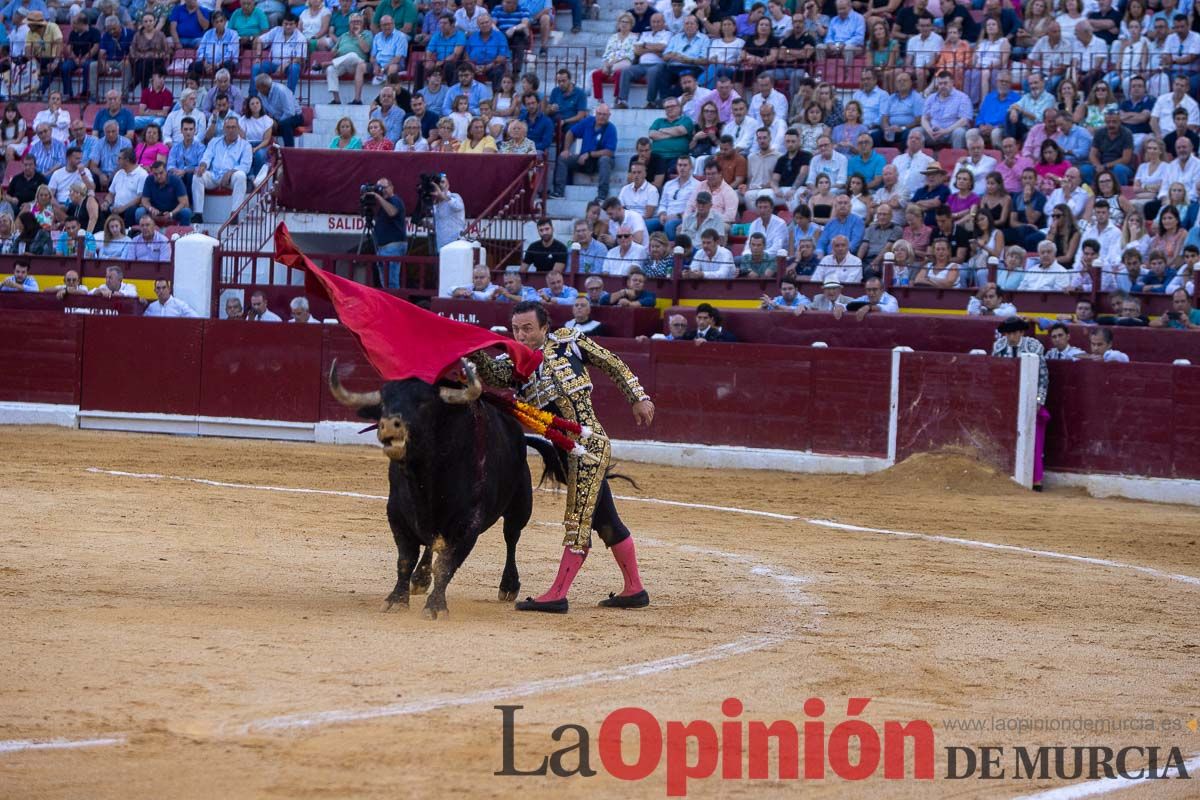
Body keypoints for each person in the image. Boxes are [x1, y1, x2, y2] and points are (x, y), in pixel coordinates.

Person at [468, 301, 653, 613]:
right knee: (605, 519)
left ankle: (557, 593)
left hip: (588, 446)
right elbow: (490, 374)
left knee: (578, 521)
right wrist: (472, 348)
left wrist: (639, 397)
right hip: (563, 451)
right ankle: (634, 589)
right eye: (515, 328)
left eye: (527, 328)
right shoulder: (514, 362)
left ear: (544, 327)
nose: (521, 334)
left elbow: (612, 363)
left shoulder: (569, 342)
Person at [992, 317, 1049, 490]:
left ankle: (1036, 481)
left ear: (1021, 332)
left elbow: (1043, 377)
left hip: (1031, 401)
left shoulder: (1034, 347)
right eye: (1007, 333)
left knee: (1035, 440)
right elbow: (996, 375)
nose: (1009, 337)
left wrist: (1038, 401)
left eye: (1013, 333)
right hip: (1007, 402)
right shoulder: (999, 347)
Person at [195, 116, 251, 219]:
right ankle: (198, 214)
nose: (231, 130)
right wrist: (203, 165)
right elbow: (207, 156)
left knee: (241, 175)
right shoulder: (214, 141)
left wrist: (230, 172)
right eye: (228, 127)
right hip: (214, 175)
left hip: (231, 179)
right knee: (197, 176)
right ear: (224, 129)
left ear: (238, 128)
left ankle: (235, 213)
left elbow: (245, 166)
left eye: (233, 127)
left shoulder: (245, 145)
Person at [362, 177, 407, 288]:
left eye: (384, 187)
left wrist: (378, 197)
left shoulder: (395, 200)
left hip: (393, 246)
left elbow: (392, 212)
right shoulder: (383, 203)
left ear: (391, 187)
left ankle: (394, 303)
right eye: (379, 188)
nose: (382, 190)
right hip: (383, 248)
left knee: (391, 281)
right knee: (385, 282)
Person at [137, 160, 191, 225]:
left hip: (173, 213)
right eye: (155, 174)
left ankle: (184, 233)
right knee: (139, 212)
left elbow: (184, 203)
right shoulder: (149, 180)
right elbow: (144, 201)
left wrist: (171, 213)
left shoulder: (176, 180)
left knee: (186, 212)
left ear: (166, 171)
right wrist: (151, 209)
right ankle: (140, 233)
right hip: (154, 213)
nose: (159, 176)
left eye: (161, 173)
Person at [430, 173, 465, 250]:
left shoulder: (455, 196)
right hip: (441, 246)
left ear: (448, 184)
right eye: (438, 183)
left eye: (442, 182)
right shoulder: (436, 203)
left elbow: (458, 207)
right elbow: (440, 224)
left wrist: (443, 196)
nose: (440, 185)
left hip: (455, 245)